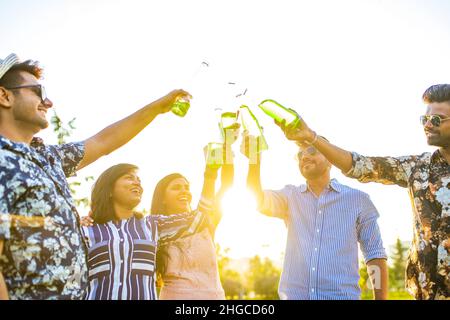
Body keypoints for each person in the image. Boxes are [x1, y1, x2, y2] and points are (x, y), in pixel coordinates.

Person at [0, 53, 191, 300]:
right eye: (38, 91)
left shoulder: (50, 157)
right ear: (4, 96)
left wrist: (156, 108)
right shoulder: (4, 161)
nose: (48, 102)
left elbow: (103, 142)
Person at [273, 84, 450, 300]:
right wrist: (311, 137)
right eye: (425, 120)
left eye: (437, 120)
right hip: (428, 293)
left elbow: (375, 254)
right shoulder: (418, 168)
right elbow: (362, 166)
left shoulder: (357, 203)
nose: (428, 125)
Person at [243, 132, 388, 300]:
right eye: (300, 154)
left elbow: (374, 255)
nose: (304, 156)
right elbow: (257, 199)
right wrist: (254, 160)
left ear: (330, 159)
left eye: (312, 151)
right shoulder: (289, 197)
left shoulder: (359, 200)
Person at [80, 163, 217, 300]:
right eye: (129, 178)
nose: (137, 183)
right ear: (109, 189)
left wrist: (210, 175)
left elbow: (199, 218)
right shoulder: (87, 230)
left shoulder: (152, 225)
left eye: (139, 180)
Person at [154, 130, 238, 300]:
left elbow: (227, 184)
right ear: (162, 199)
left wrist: (227, 148)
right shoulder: (158, 227)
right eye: (176, 188)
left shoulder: (206, 221)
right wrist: (210, 172)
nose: (184, 191)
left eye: (186, 187)